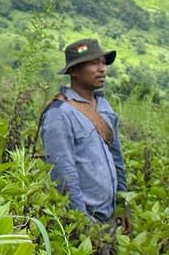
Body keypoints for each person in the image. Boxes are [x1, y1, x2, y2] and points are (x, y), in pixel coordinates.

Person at [39, 37, 127, 221]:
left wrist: (122, 205)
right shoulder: (59, 113)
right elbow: (63, 174)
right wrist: (82, 221)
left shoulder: (104, 107)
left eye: (103, 62)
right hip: (86, 220)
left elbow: (116, 158)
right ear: (73, 71)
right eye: (94, 63)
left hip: (110, 217)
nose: (102, 69)